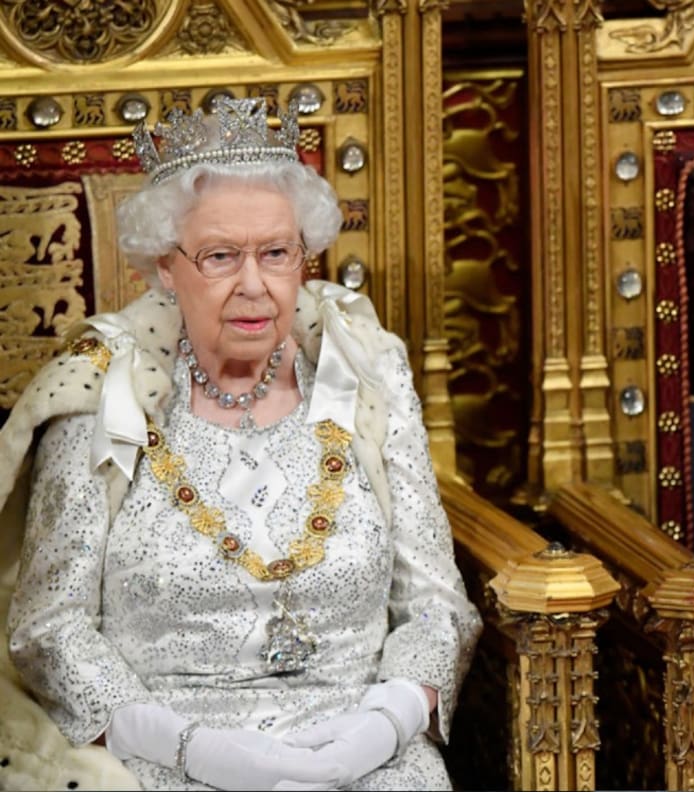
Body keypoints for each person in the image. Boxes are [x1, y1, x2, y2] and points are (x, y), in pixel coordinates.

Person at [0, 96, 481, 790]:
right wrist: (193, 749)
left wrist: (385, 723)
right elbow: (50, 628)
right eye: (220, 256)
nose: (254, 286)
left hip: (370, 759)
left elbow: (437, 603)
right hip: (163, 765)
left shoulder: (369, 375)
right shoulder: (100, 394)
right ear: (166, 266)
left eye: (277, 254)